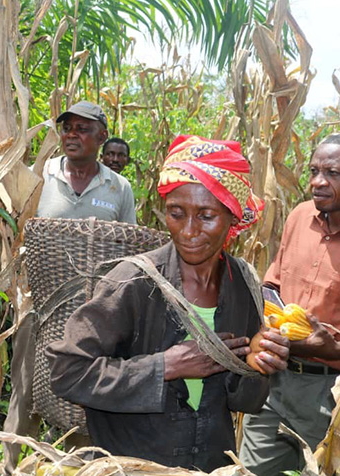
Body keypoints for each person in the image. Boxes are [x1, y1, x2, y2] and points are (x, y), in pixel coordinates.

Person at [46, 135, 290, 472]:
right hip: (133, 464)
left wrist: (256, 365)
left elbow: (245, 401)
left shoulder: (244, 285)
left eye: (206, 216)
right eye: (177, 214)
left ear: (233, 219)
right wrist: (166, 366)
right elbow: (67, 372)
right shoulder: (131, 282)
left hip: (209, 463)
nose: (188, 231)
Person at [239, 133, 340, 476]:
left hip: (331, 393)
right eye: (314, 170)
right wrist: (272, 320)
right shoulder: (299, 217)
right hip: (273, 377)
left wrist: (332, 348)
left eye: (332, 173)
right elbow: (272, 283)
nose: (317, 182)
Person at [3, 101, 136, 469]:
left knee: (81, 397)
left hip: (95, 314)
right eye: (67, 128)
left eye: (83, 129)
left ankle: (75, 465)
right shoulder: (39, 175)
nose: (72, 135)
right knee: (25, 389)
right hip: (40, 305)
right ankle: (9, 464)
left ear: (101, 137)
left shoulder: (118, 188)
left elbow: (128, 249)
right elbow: (14, 230)